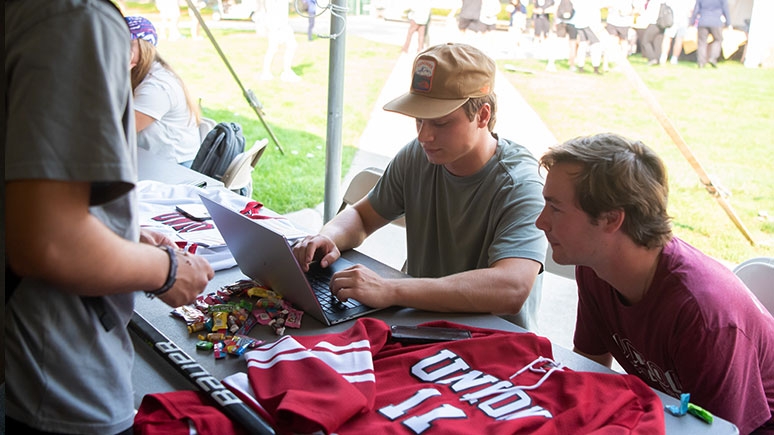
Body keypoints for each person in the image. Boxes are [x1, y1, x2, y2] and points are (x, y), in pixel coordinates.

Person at [5, 1, 214, 433]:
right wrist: (169, 270)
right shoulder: (75, 16)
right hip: (58, 366)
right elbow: (52, 243)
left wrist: (117, 231)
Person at [292, 43, 547, 330]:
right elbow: (363, 217)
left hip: (494, 348)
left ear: (483, 115)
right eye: (419, 120)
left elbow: (511, 288)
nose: (424, 135)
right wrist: (328, 237)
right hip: (419, 328)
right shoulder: (418, 155)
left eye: (440, 122)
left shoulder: (520, 185)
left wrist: (391, 290)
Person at [535, 133, 774, 434]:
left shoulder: (702, 315)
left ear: (611, 220)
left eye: (555, 208)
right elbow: (589, 370)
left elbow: (715, 431)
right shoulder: (596, 269)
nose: (540, 222)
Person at [127, 16, 202, 167]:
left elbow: (119, 131)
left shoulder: (157, 86)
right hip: (152, 160)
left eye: (126, 45)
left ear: (144, 46)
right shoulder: (143, 74)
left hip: (173, 168)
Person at [259, 0, 301, 82]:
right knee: (288, 46)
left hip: (278, 23)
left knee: (277, 48)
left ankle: (268, 72)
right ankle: (285, 73)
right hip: (278, 24)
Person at [691, 0, 731, 68]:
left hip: (703, 21)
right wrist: (728, 23)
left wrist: (692, 22)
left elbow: (696, 9)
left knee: (702, 42)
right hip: (716, 22)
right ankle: (713, 58)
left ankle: (701, 62)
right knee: (718, 40)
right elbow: (725, 9)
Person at [659, 0, 695, 64]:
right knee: (679, 40)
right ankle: (674, 58)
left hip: (671, 18)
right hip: (683, 19)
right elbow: (691, 9)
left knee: (667, 38)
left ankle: (663, 57)